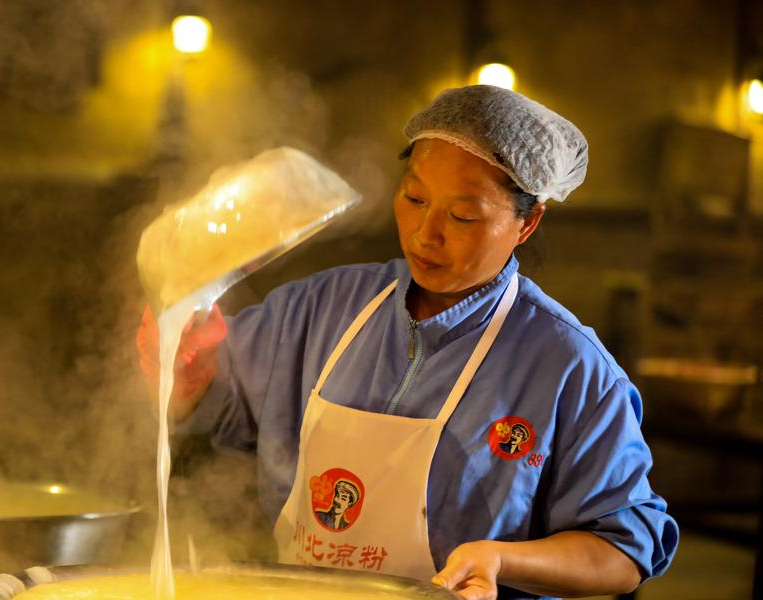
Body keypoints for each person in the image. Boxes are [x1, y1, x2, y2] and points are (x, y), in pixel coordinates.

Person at [137, 85, 678, 600]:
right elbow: (213, 404)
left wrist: (502, 561)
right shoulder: (322, 307)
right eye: (414, 197)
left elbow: (624, 550)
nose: (426, 234)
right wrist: (188, 366)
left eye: (462, 215)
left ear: (527, 223)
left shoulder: (569, 366)